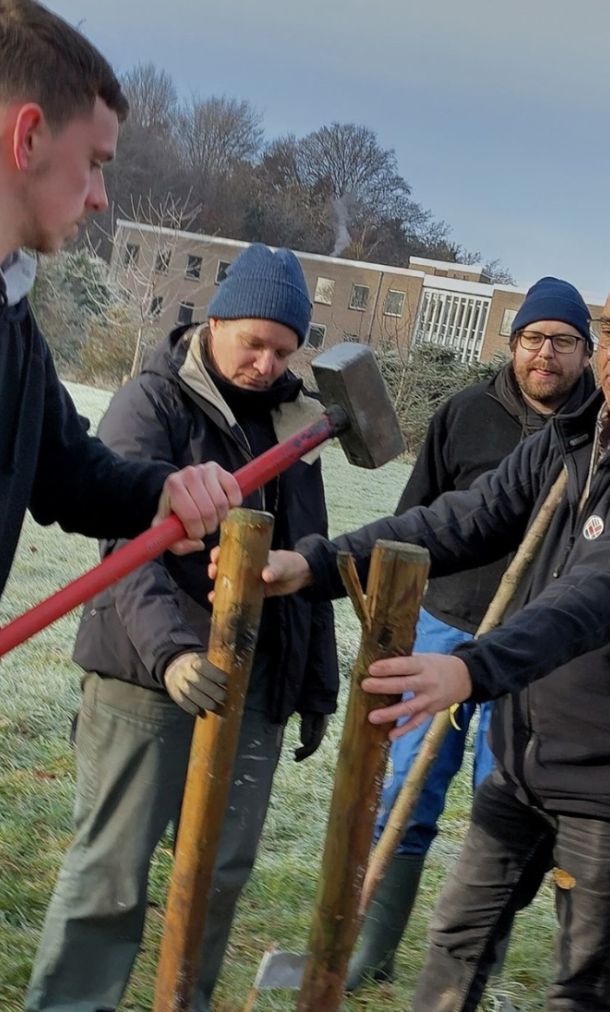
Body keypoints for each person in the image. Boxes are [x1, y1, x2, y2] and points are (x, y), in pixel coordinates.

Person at [253, 286, 610, 1011]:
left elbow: (591, 598)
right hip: (524, 762)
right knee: (455, 945)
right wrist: (318, 564)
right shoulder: (577, 439)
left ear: (583, 352)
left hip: (602, 787)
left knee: (585, 985)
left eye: (567, 340)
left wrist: (473, 667)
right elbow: (460, 519)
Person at [26, 243, 340, 1012]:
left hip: (253, 683)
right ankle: (72, 1003)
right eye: (253, 343)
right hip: (146, 677)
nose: (266, 363)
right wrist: (171, 654)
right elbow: (126, 549)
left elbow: (307, 552)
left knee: (220, 873)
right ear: (218, 318)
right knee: (112, 874)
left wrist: (315, 684)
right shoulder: (154, 400)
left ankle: (182, 1001)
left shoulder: (296, 424)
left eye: (283, 350)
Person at [346, 277, 595, 996]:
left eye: (564, 341)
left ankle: (468, 961)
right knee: (407, 792)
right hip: (443, 628)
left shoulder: (592, 432)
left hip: (533, 658)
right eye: (533, 338)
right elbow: (421, 518)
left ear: (587, 351)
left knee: (503, 809)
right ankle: (373, 946)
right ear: (513, 345)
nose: (546, 353)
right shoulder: (465, 413)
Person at [0, 0, 243, 610]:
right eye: (94, 164)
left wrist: (163, 491)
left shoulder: (13, 316)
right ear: (28, 138)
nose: (102, 198)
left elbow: (66, 471)